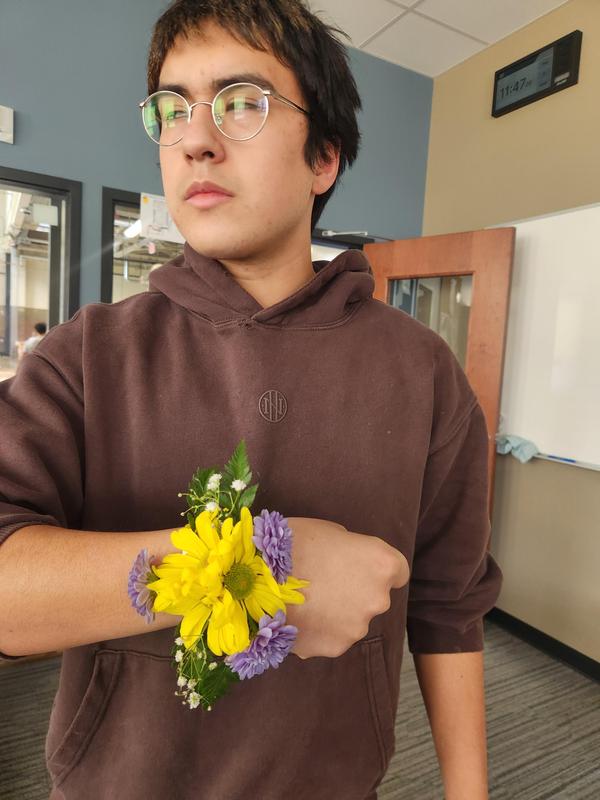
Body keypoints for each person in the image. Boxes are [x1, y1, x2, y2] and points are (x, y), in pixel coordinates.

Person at [0, 2, 502, 799]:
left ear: (323, 158)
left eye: (241, 101)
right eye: (172, 108)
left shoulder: (423, 370)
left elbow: (450, 607)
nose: (195, 137)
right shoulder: (86, 356)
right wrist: (258, 566)